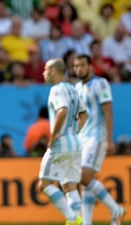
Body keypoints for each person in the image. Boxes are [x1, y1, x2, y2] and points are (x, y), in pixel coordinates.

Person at [73, 54, 126, 225]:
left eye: (82, 65)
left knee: (84, 176)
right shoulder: (77, 87)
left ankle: (114, 208)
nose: (79, 68)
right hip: (81, 138)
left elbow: (108, 111)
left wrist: (109, 139)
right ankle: (87, 222)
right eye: (76, 66)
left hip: (96, 137)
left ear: (90, 66)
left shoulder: (100, 83)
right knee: (84, 181)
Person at [38, 58, 87, 225]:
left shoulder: (56, 89)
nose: (43, 73)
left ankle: (73, 219)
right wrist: (73, 132)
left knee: (44, 184)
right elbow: (84, 114)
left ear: (53, 71)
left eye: (45, 70)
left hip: (61, 143)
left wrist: (53, 136)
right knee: (69, 186)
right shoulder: (72, 89)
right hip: (76, 142)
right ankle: (77, 220)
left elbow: (63, 110)